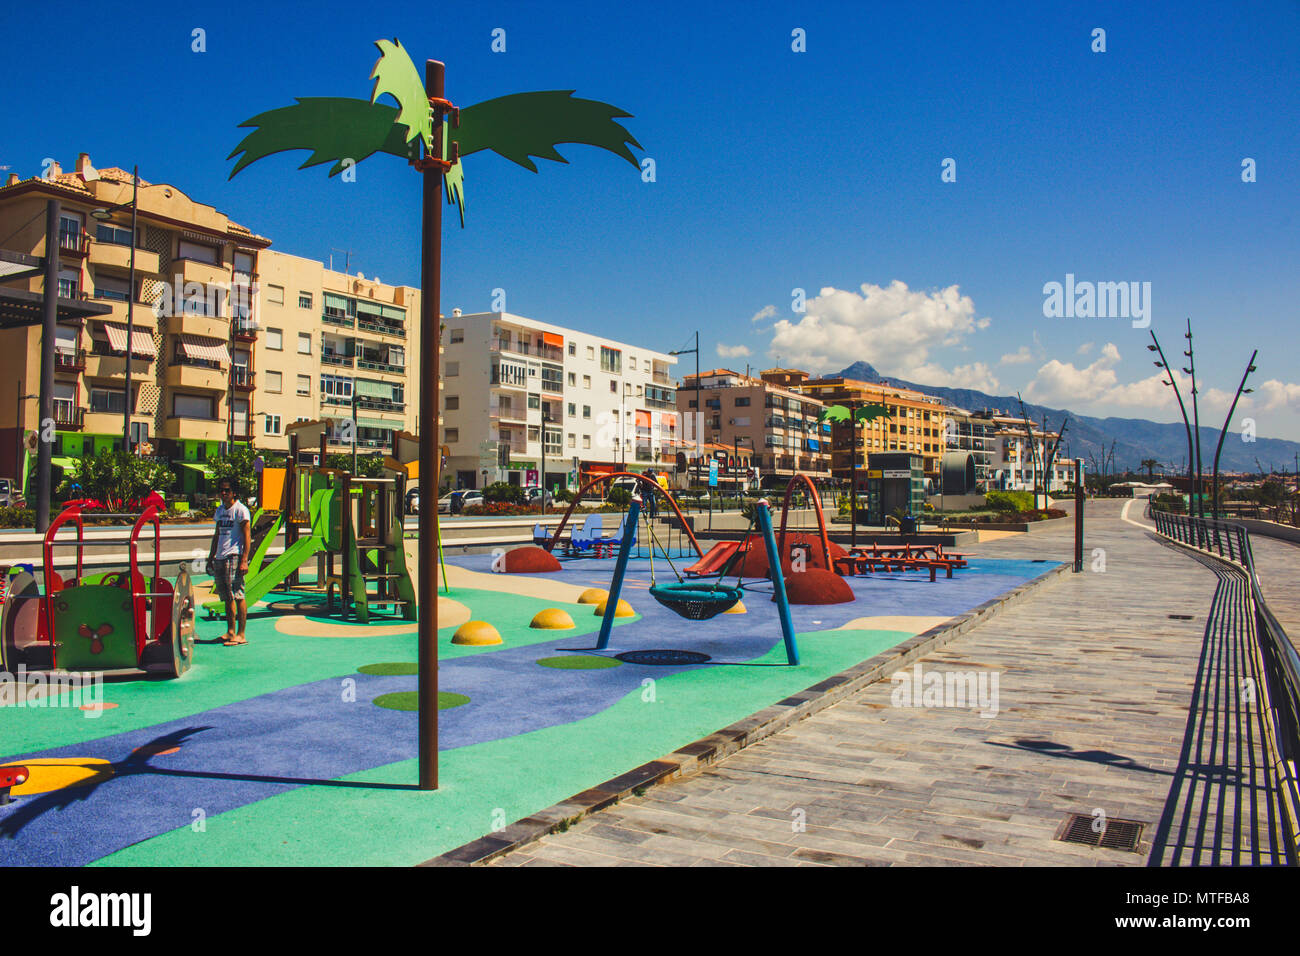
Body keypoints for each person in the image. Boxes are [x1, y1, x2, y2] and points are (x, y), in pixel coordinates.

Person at [208, 478, 252, 646]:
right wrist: (211, 556)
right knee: (226, 597)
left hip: (234, 556)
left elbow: (247, 535)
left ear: (234, 492)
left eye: (227, 490)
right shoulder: (220, 511)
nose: (223, 493)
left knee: (238, 595)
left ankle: (241, 634)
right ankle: (230, 631)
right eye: (221, 490)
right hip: (220, 556)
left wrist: (244, 560)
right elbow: (217, 535)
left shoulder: (241, 510)